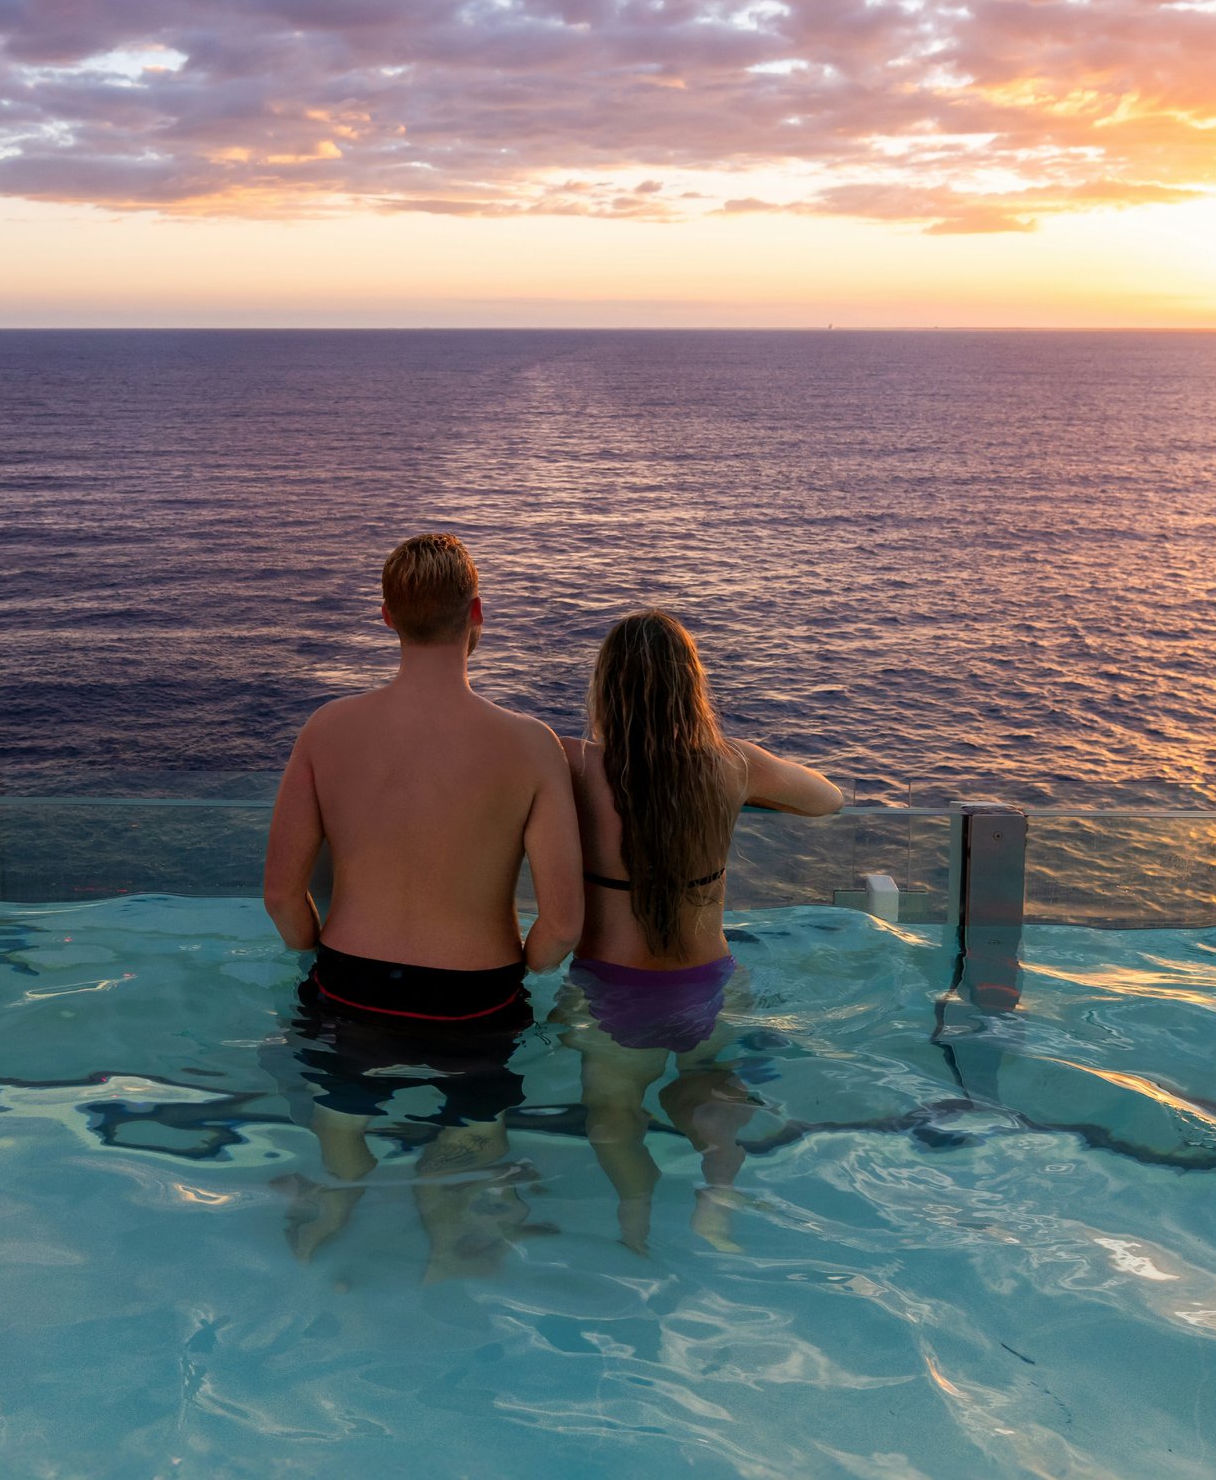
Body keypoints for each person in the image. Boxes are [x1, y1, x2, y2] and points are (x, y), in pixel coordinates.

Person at [262, 532, 584, 1273]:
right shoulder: (530, 744)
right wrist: (518, 968)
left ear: (386, 616)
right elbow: (562, 924)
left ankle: (337, 1197)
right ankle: (448, 1239)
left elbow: (281, 892)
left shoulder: (327, 729)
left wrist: (315, 951)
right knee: (471, 1146)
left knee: (340, 1129)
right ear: (478, 612)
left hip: (348, 985)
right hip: (475, 999)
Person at [558, 610, 841, 1252]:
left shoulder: (574, 763)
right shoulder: (731, 765)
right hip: (708, 985)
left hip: (611, 990)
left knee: (613, 1119)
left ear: (607, 687)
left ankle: (635, 1218)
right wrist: (747, 791)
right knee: (711, 1090)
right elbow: (830, 800)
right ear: (693, 685)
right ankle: (717, 1187)